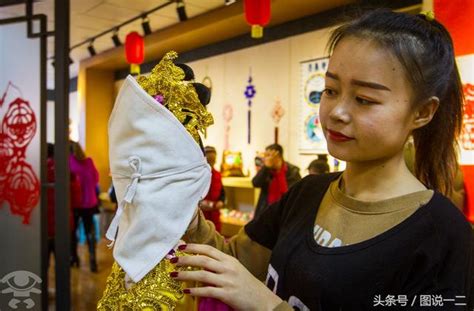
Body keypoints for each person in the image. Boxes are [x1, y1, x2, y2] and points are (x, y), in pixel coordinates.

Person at [172, 9, 474, 310]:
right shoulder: (308, 193)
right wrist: (173, 199)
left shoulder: (445, 237)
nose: (336, 112)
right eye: (330, 90)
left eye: (364, 99)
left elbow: (255, 295)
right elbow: (230, 264)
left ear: (422, 112)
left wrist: (268, 306)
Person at [46, 143, 81, 268]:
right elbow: (75, 193)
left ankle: (41, 287)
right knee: (62, 264)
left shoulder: (37, 172)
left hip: (42, 226)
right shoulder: (65, 170)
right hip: (63, 224)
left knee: (42, 264)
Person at [69, 141, 100, 272]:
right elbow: (96, 179)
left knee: (72, 231)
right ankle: (93, 260)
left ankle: (74, 258)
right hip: (90, 203)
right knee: (90, 231)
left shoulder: (68, 162)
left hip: (75, 204)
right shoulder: (89, 161)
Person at [252, 143, 301, 218]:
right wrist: (266, 168)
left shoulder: (293, 171)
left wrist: (279, 172)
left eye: (269, 156)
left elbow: (292, 193)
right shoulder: (266, 169)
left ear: (278, 156)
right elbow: (255, 183)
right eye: (266, 156)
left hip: (285, 213)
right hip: (266, 212)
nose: (266, 159)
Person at [199, 146, 225, 232]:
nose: (212, 164)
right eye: (209, 161)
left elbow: (222, 193)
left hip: (214, 214)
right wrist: (199, 203)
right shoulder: (198, 175)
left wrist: (221, 201)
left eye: (213, 161)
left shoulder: (218, 174)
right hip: (201, 214)